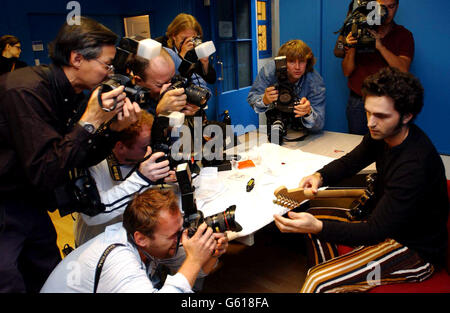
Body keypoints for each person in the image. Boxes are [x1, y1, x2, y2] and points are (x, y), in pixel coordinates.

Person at [273, 67, 449, 293]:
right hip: (387, 226)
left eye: (381, 116)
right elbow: (351, 161)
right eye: (368, 112)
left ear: (407, 116)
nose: (370, 123)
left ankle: (331, 280)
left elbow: (375, 231)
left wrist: (318, 227)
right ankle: (339, 281)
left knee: (318, 280)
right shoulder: (383, 133)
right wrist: (320, 176)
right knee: (312, 219)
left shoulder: (414, 163)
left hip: (414, 251)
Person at [0, 17, 140, 293]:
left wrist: (113, 130)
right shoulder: (25, 91)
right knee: (9, 281)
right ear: (77, 58)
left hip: (31, 203)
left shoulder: (72, 94)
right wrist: (88, 122)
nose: (110, 72)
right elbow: (46, 170)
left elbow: (76, 158)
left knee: (48, 273)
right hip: (6, 203)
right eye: (106, 64)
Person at [41, 189, 229, 293]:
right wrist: (194, 260)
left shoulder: (148, 242)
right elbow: (192, 268)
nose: (180, 238)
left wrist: (210, 254)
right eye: (173, 235)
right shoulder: (118, 259)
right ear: (141, 239)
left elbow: (199, 273)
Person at [74, 111, 176, 246]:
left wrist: (165, 183)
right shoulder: (93, 162)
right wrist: (142, 179)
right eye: (145, 147)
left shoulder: (144, 157)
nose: (150, 152)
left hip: (133, 242)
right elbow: (92, 215)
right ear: (120, 146)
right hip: (95, 245)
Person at [342, 0, 414, 135]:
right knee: (356, 144)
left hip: (390, 102)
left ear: (397, 7)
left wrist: (380, 47)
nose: (386, 12)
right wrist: (352, 48)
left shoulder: (404, 35)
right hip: (359, 101)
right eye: (381, 7)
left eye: (391, 7)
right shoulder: (360, 28)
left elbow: (403, 70)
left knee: (388, 146)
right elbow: (346, 71)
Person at [247, 39, 326, 138]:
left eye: (302, 62)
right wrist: (264, 100)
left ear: (307, 63)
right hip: (275, 126)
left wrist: (308, 112)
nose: (297, 67)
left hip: (302, 131)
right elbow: (252, 99)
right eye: (292, 62)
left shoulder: (314, 81)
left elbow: (319, 125)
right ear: (282, 63)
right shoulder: (270, 70)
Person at [130, 49, 200, 117]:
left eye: (172, 80)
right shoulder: (125, 102)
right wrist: (161, 114)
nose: (169, 88)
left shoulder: (171, 55)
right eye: (160, 85)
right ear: (138, 81)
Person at [156, 13, 216, 85]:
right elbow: (165, 80)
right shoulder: (160, 48)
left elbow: (211, 80)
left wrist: (205, 63)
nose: (189, 43)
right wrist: (182, 57)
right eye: (184, 38)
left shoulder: (195, 46)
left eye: (192, 38)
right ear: (173, 36)